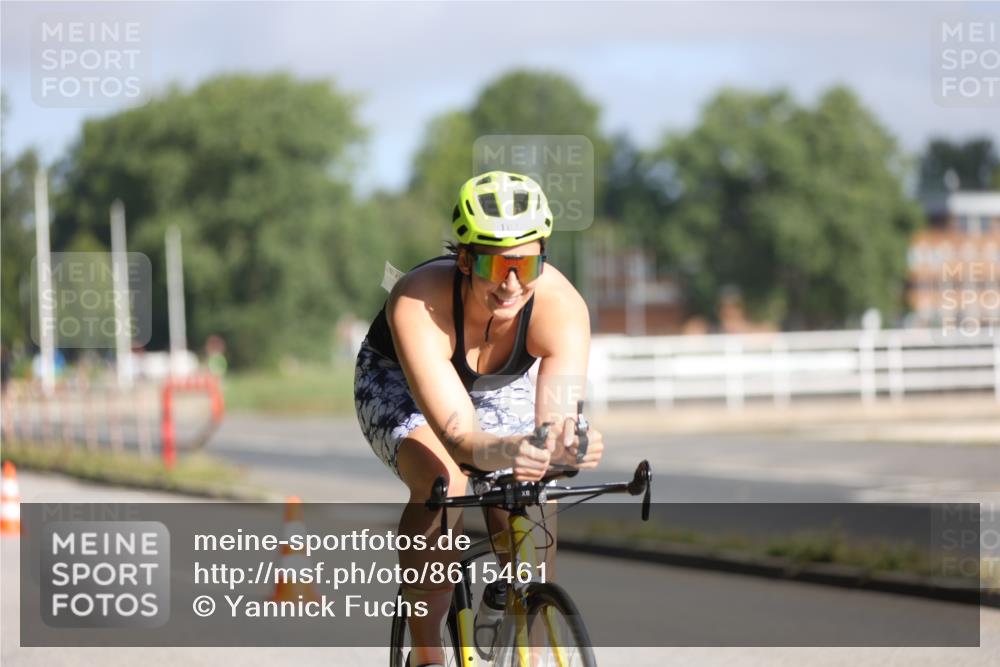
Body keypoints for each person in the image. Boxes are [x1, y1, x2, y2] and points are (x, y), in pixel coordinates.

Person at [354, 170, 604, 667]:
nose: (513, 284)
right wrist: (507, 448)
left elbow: (555, 424)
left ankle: (522, 614)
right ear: (465, 259)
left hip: (498, 383)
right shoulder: (415, 301)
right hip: (400, 381)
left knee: (533, 480)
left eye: (527, 263)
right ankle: (428, 653)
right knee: (445, 481)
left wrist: (565, 444)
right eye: (496, 264)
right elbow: (462, 438)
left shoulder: (561, 307)